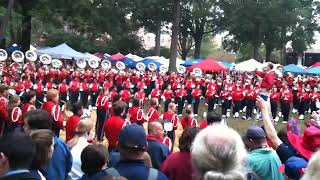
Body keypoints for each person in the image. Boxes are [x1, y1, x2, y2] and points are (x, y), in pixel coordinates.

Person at [23, 110, 72, 180]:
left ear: (35, 130)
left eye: (25, 125)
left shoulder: (30, 147)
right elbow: (68, 167)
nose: (23, 128)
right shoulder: (62, 144)